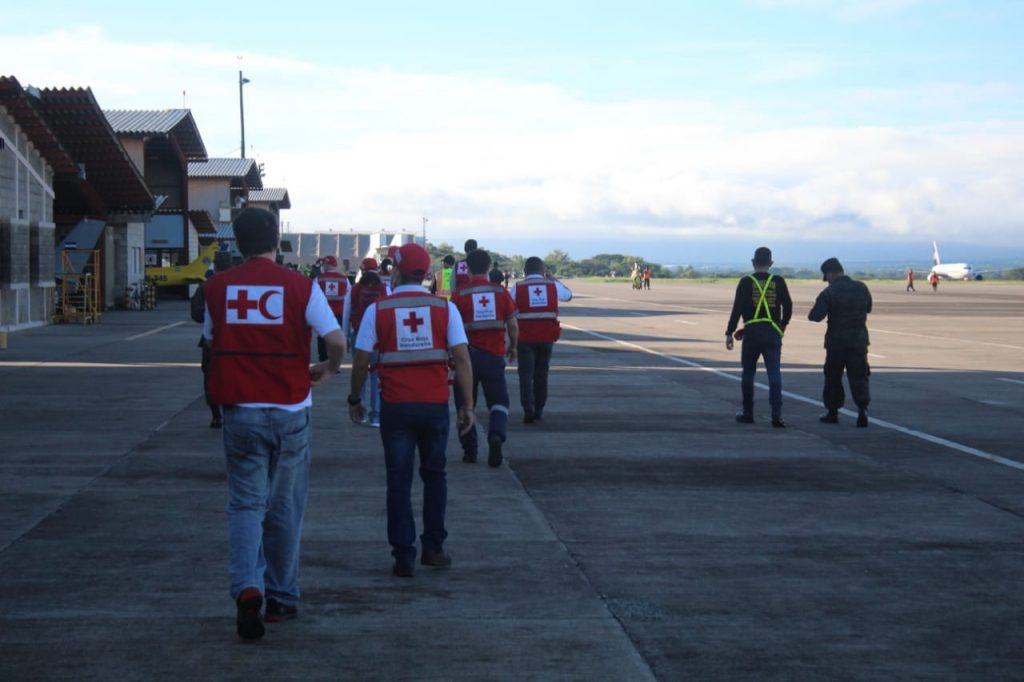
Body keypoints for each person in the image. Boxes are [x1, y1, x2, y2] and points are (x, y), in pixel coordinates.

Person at [203, 207, 346, 640]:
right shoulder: (301, 286)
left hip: (240, 409)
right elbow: (336, 340)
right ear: (275, 239)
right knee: (285, 506)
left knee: (246, 504)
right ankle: (281, 597)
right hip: (289, 408)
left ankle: (247, 585)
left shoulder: (217, 288)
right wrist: (329, 368)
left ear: (237, 242)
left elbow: (211, 340)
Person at [348, 243, 475, 578]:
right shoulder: (445, 309)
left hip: (396, 408)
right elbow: (462, 358)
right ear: (427, 275)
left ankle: (403, 555)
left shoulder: (379, 309)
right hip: (434, 406)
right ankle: (433, 549)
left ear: (396, 270)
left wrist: (354, 398)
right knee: (435, 477)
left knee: (398, 480)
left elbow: (361, 359)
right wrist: (468, 406)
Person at [450, 249, 519, 466]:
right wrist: (514, 346)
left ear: (467, 268)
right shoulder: (500, 292)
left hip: (466, 359)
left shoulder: (459, 295)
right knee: (499, 402)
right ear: (489, 267)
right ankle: (496, 435)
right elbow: (513, 324)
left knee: (464, 404)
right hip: (493, 358)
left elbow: (450, 329)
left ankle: (470, 451)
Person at [725, 247, 793, 428]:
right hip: (772, 332)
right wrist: (782, 326)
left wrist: (729, 332)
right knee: (774, 373)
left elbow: (737, 308)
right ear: (771, 263)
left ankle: (748, 413)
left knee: (748, 373)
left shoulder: (746, 282)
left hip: (752, 331)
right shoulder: (778, 281)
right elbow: (788, 305)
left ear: (753, 262)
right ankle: (776, 416)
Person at [808, 257, 873, 428]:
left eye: (826, 276)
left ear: (830, 273)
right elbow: (868, 308)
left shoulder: (829, 292)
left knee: (833, 378)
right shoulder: (861, 288)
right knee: (859, 376)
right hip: (859, 341)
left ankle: (832, 412)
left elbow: (815, 316)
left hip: (836, 343)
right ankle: (862, 410)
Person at [510, 256, 572, 423]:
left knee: (525, 374)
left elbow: (508, 310)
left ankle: (527, 409)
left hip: (524, 338)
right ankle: (539, 410)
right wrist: (553, 278)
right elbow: (568, 295)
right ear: (543, 271)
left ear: (524, 272)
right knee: (541, 374)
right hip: (547, 338)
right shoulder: (552, 285)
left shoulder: (517, 287)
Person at [190, 253, 232, 428]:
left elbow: (197, 315)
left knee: (210, 378)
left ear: (214, 267)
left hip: (212, 341)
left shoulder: (206, 287)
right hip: (238, 340)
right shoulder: (241, 286)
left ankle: (216, 416)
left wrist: (212, 315)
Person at [349, 258, 391, 427]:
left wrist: (345, 334)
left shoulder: (356, 288)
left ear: (362, 269)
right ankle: (376, 416)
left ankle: (361, 412)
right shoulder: (384, 288)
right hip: (378, 336)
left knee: (360, 373)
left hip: (359, 334)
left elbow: (348, 311)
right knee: (376, 376)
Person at [314, 255, 351, 363]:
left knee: (322, 338)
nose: (323, 266)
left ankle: (323, 360)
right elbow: (349, 297)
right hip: (338, 314)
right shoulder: (344, 279)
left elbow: (313, 296)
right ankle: (335, 362)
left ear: (327, 264)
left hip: (323, 314)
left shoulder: (319, 278)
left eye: (324, 264)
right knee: (336, 339)